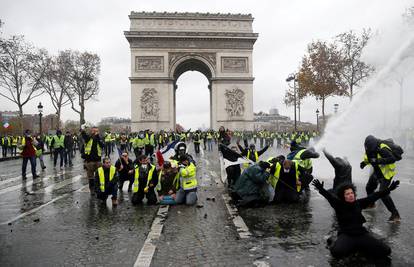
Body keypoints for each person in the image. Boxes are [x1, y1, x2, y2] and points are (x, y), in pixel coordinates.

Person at [312, 178, 399, 260]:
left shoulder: (359, 203)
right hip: (346, 235)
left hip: (361, 234)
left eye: (352, 193)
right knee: (336, 253)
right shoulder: (338, 204)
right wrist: (321, 189)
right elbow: (329, 196)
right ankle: (334, 240)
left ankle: (359, 246)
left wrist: (389, 189)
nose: (350, 195)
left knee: (386, 251)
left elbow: (375, 196)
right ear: (343, 196)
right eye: (347, 194)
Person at [361, 135, 401, 222]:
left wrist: (378, 161)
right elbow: (369, 158)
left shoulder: (382, 148)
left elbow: (392, 159)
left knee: (383, 193)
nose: (367, 147)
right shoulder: (369, 149)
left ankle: (395, 214)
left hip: (386, 174)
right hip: (378, 171)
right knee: (369, 187)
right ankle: (371, 204)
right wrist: (364, 163)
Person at [81, 125, 105, 193]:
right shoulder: (88, 137)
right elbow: (84, 135)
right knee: (91, 176)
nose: (95, 132)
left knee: (99, 175)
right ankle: (92, 189)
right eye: (94, 131)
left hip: (98, 160)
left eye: (96, 131)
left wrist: (98, 137)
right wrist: (82, 129)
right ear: (91, 131)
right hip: (89, 160)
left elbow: (103, 145)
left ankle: (97, 188)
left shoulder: (100, 138)